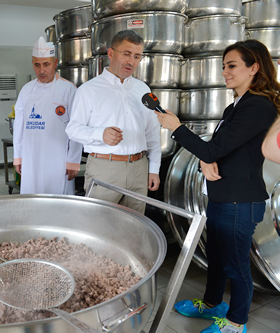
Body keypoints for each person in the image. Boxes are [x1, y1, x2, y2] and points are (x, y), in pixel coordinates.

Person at [156, 39, 279, 333]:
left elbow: (213, 150)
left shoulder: (258, 106)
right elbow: (219, 150)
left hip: (240, 200)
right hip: (222, 196)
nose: (224, 72)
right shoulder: (234, 107)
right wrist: (205, 161)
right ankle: (213, 305)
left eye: (232, 65)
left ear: (254, 68)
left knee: (236, 267)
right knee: (217, 257)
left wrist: (176, 127)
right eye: (223, 66)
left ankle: (236, 323)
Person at [65, 30, 161, 214]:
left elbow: (152, 131)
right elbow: (72, 129)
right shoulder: (89, 90)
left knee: (135, 225)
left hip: (139, 168)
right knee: (99, 223)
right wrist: (100, 134)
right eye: (126, 54)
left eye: (137, 56)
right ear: (111, 53)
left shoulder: (143, 89)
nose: (131, 61)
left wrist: (154, 169)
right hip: (104, 168)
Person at [12, 36, 82, 195]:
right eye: (37, 65)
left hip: (58, 161)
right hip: (31, 159)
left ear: (55, 63)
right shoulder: (26, 90)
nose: (41, 71)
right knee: (32, 200)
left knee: (58, 204)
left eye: (46, 64)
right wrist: (18, 157)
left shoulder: (68, 89)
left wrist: (73, 161)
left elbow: (77, 127)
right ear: (32, 64)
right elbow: (19, 126)